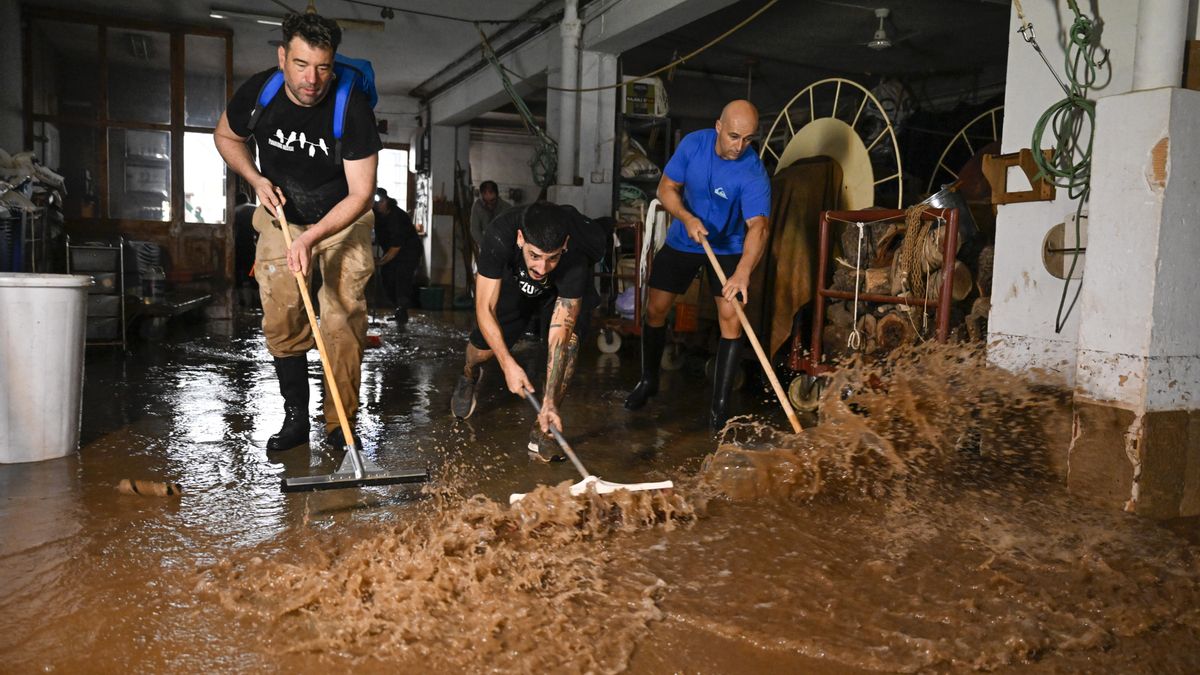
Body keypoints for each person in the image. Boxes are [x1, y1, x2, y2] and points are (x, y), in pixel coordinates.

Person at [213, 12, 381, 452]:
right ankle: (296, 421)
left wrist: (310, 238)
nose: (312, 79)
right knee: (283, 316)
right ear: (283, 56)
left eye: (323, 66)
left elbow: (361, 194)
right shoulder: (260, 92)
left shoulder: (352, 106)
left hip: (342, 218)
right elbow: (226, 137)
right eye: (302, 64)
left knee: (342, 321)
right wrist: (256, 179)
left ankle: (339, 427)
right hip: (281, 216)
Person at [624, 99, 771, 429]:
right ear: (719, 126)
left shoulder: (752, 172)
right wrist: (687, 218)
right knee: (656, 309)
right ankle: (648, 382)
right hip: (684, 239)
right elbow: (666, 188)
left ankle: (719, 409)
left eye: (748, 139)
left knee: (731, 317)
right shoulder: (693, 144)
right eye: (734, 136)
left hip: (730, 247)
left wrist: (744, 271)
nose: (740, 146)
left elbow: (759, 227)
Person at [451, 201, 603, 460]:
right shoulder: (499, 234)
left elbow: (560, 336)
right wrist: (507, 363)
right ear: (521, 239)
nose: (542, 268)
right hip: (513, 285)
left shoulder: (579, 249)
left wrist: (550, 400)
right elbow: (485, 308)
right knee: (481, 352)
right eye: (535, 256)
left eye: (551, 258)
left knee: (571, 344)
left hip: (559, 292)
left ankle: (544, 425)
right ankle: (468, 375)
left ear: (564, 244)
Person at [372, 191, 421, 324]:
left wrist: (381, 262)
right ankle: (397, 307)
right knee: (387, 277)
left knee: (402, 278)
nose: (378, 205)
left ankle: (402, 311)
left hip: (408, 251)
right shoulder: (376, 215)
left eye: (381, 202)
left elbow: (396, 246)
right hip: (391, 250)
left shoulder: (397, 217)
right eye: (376, 203)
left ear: (387, 201)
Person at [468, 180, 511, 261]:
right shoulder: (478, 207)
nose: (489, 205)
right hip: (485, 245)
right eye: (486, 202)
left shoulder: (506, 208)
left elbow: (511, 230)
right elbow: (474, 229)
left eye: (492, 201)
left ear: (497, 196)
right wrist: (485, 245)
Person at [233, 192, 260, 309]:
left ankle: (243, 302)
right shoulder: (256, 209)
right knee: (253, 273)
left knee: (238, 273)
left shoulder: (235, 211)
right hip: (254, 247)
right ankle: (257, 301)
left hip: (238, 247)